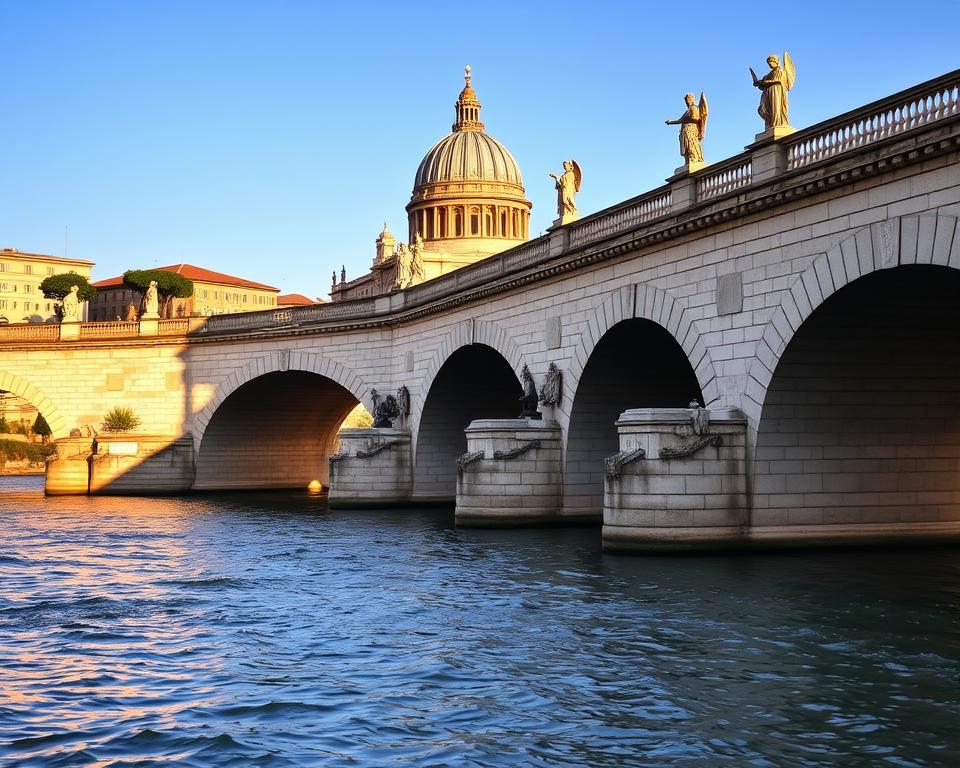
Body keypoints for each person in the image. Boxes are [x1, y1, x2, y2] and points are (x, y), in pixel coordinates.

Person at [753, 54, 793, 129]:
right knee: (762, 109)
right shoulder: (769, 74)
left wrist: (764, 82)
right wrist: (759, 83)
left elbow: (779, 80)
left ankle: (777, 123)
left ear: (775, 61)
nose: (769, 64)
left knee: (776, 108)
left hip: (776, 91)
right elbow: (762, 86)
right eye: (768, 63)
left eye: (770, 62)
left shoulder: (780, 70)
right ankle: (770, 123)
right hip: (768, 92)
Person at [665, 93, 706, 164]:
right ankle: (688, 161)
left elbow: (696, 118)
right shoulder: (688, 111)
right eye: (686, 101)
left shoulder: (694, 108)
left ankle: (693, 159)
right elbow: (680, 120)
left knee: (691, 144)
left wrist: (690, 118)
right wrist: (670, 122)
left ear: (692, 100)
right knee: (686, 145)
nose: (687, 102)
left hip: (691, 129)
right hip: (686, 130)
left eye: (688, 100)